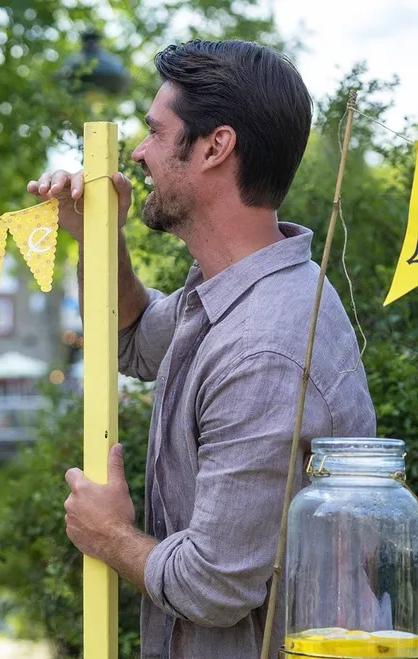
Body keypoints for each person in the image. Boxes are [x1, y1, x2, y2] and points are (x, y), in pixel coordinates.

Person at [28, 40, 376, 658]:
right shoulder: (236, 290)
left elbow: (214, 585)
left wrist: (108, 535)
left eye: (155, 134)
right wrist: (97, 238)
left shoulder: (264, 348)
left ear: (215, 146)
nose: (137, 153)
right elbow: (131, 340)